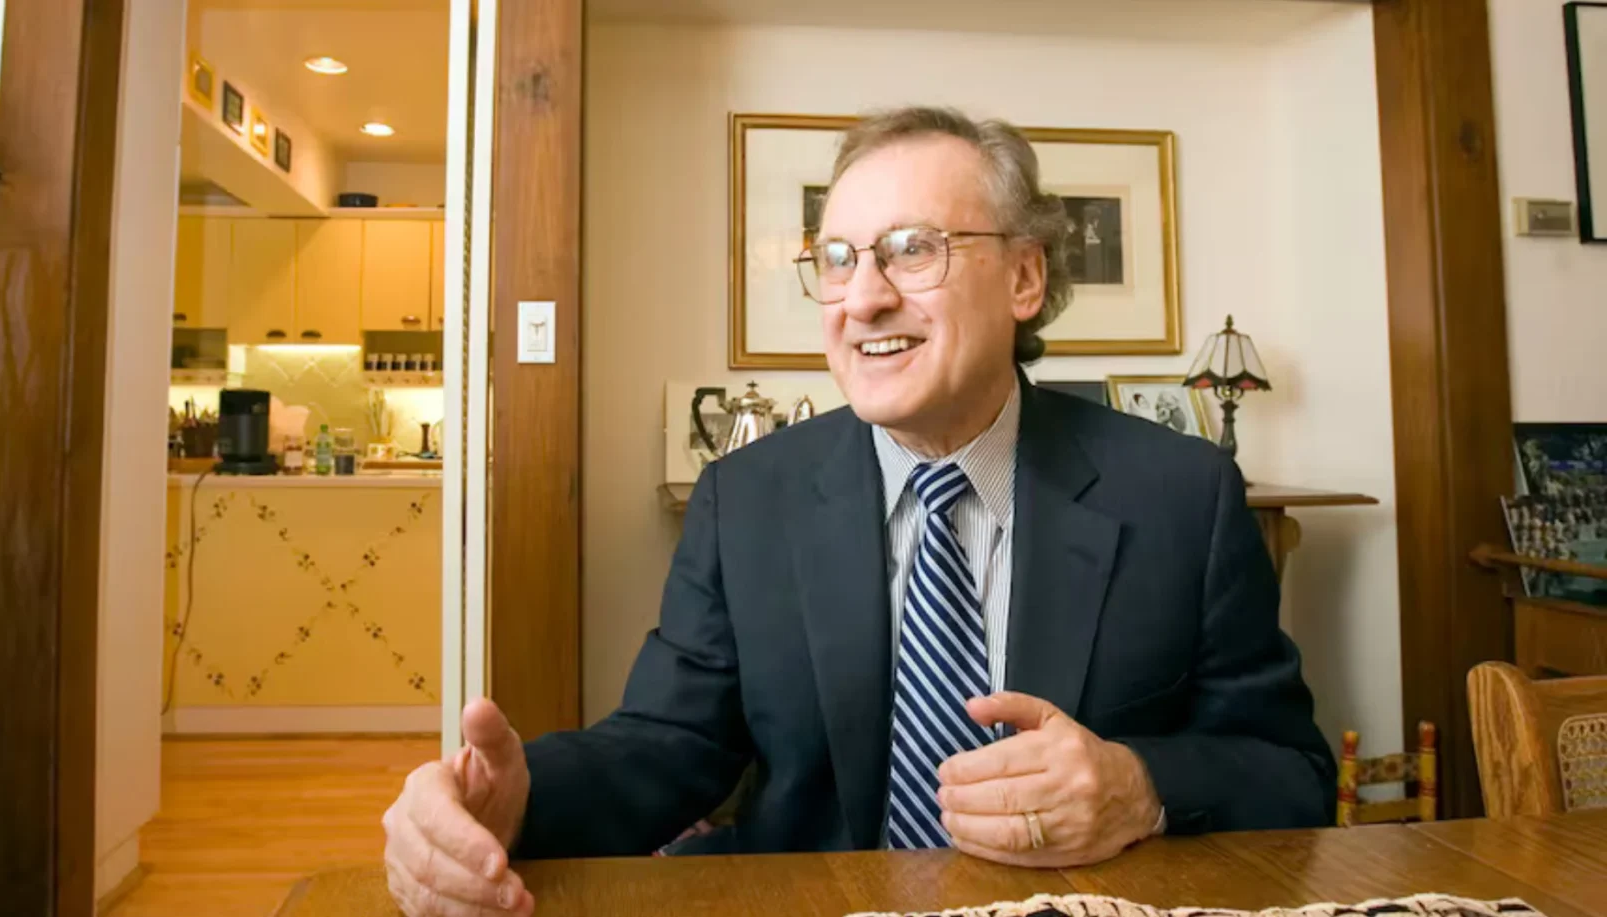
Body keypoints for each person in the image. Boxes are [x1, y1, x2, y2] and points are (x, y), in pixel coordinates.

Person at [381, 107, 1334, 916]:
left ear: (1025, 279)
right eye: (837, 259)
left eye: (913, 250)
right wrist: (513, 801)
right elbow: (666, 745)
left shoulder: (1181, 494)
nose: (864, 299)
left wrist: (1144, 787)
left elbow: (1292, 770)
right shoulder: (747, 498)